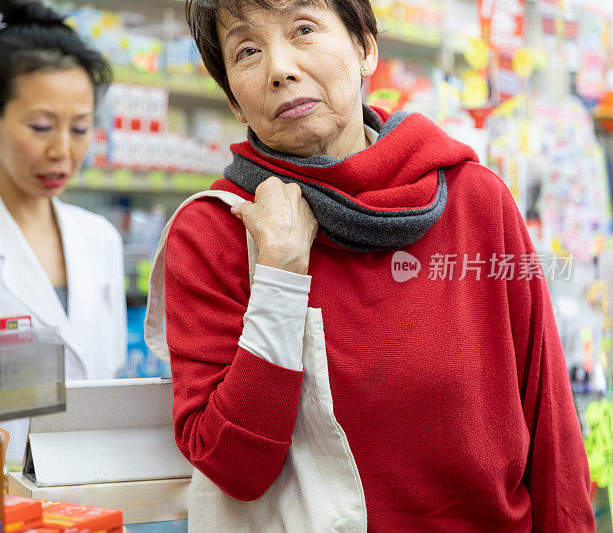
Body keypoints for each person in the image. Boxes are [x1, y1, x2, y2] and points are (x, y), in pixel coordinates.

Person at [147, 0, 595, 530]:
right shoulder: (212, 232)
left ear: (364, 48)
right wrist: (280, 277)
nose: (280, 68)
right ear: (235, 102)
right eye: (247, 50)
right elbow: (233, 467)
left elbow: (550, 423)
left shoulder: (476, 200)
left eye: (304, 29)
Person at [0, 0, 126, 462]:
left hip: (94, 499)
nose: (62, 151)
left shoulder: (100, 238)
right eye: (41, 126)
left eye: (80, 128)